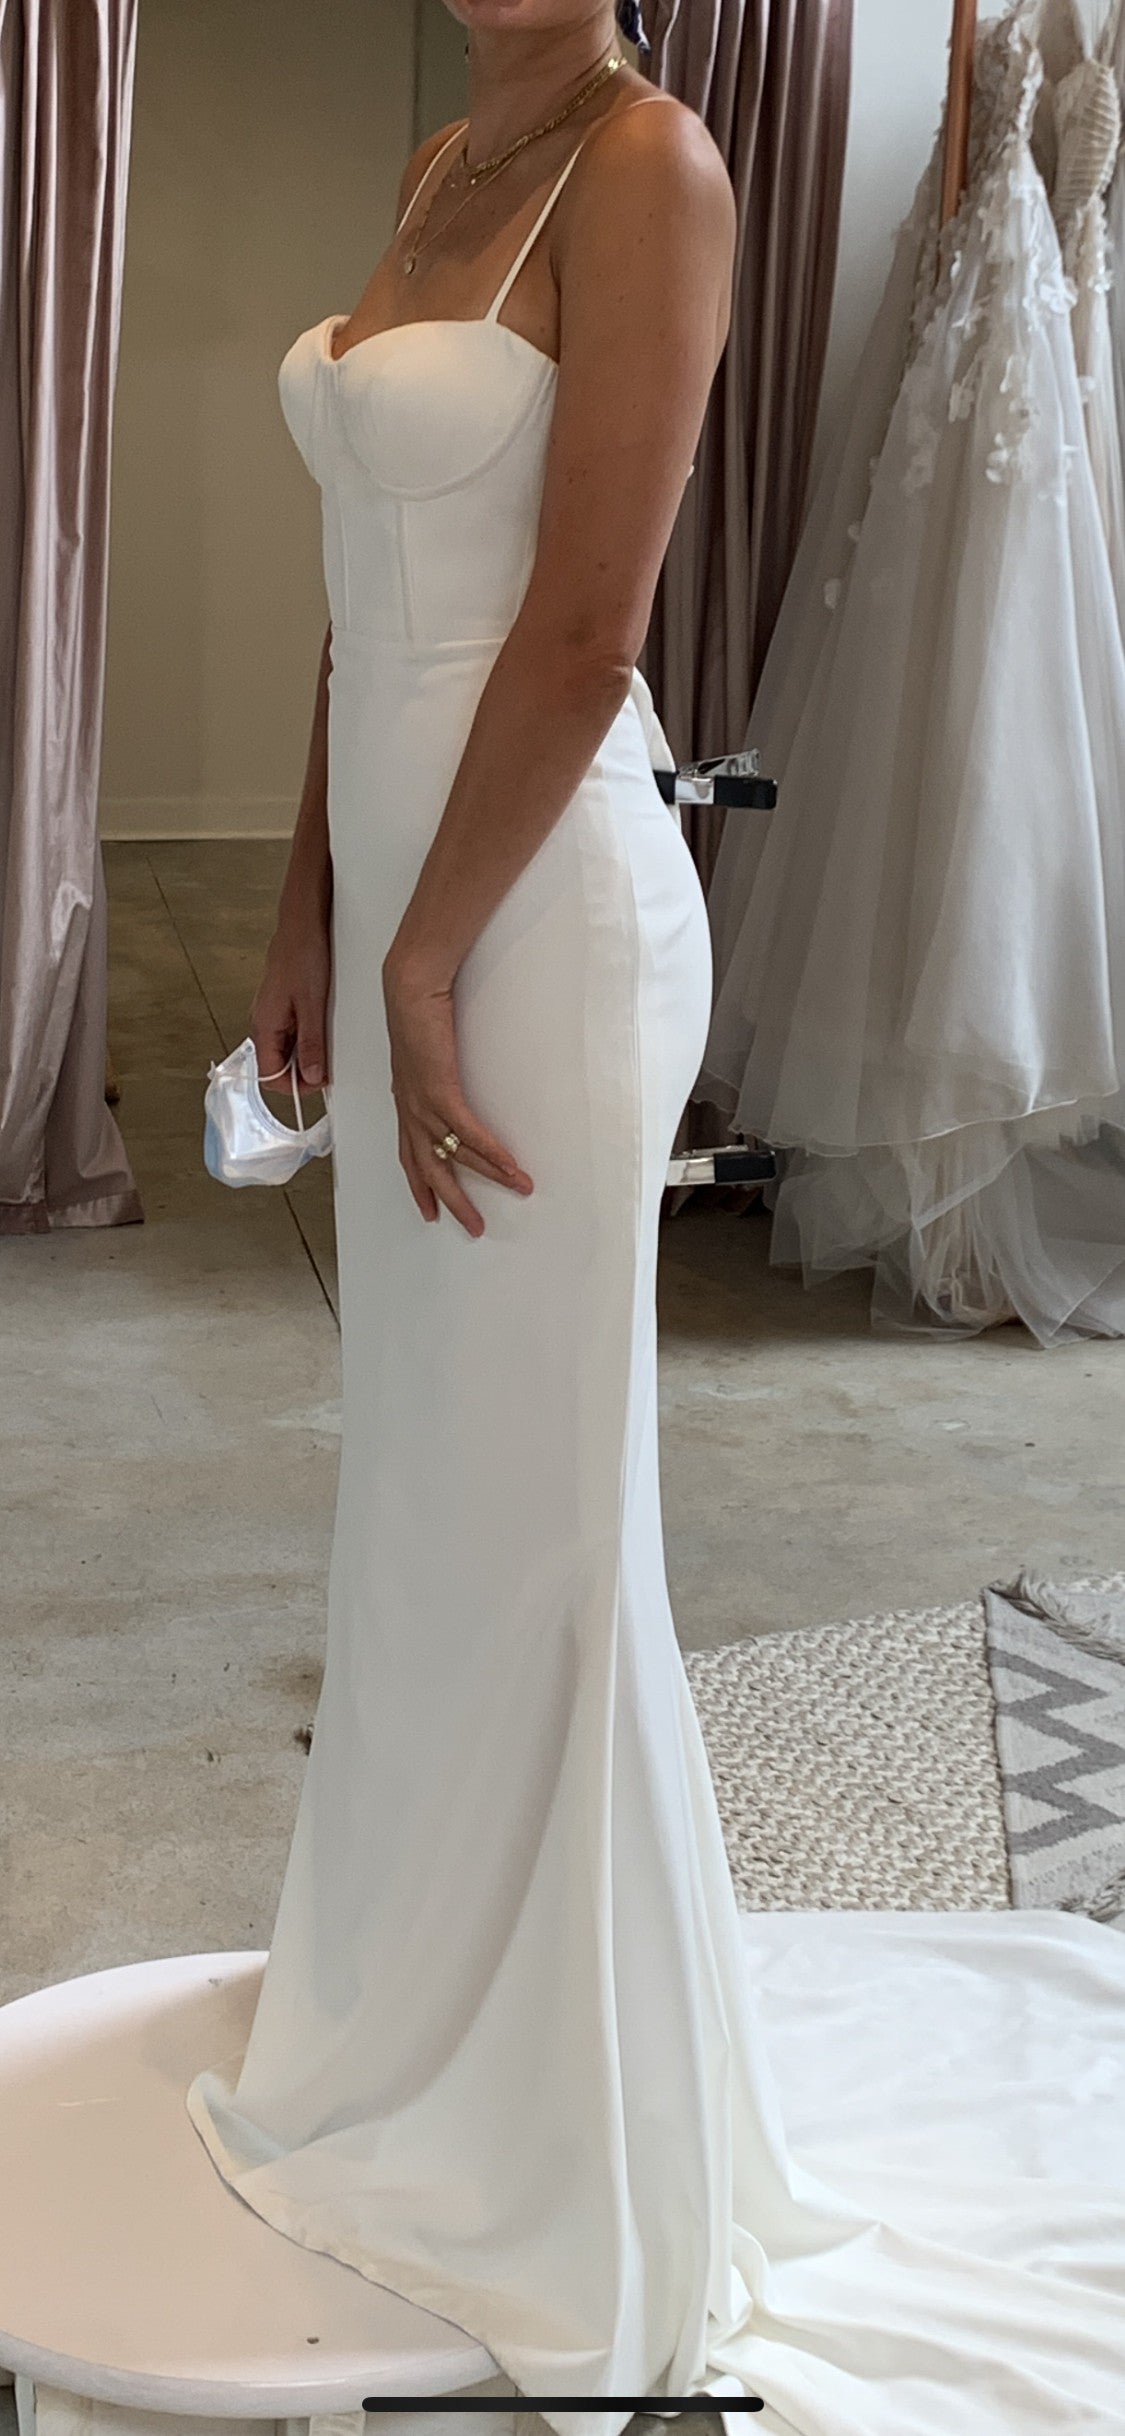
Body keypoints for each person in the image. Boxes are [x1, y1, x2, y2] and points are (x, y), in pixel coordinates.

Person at [186, 6, 1125, 2430]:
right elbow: (362, 595)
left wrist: (420, 956)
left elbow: (589, 623)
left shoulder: (652, 164)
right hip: (404, 891)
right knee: (423, 1500)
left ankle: (568, 2130)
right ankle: (411, 2014)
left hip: (539, 920)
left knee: (538, 1527)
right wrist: (310, 907)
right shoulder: (444, 160)